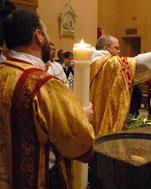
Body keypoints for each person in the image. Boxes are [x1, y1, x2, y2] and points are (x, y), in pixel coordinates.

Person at [0, 9, 94, 188]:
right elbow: (77, 146)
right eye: (47, 32)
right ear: (38, 36)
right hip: (39, 179)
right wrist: (82, 118)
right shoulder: (43, 85)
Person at [90, 35, 151, 136]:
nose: (119, 51)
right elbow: (135, 64)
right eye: (116, 48)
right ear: (106, 48)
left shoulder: (90, 62)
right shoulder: (107, 64)